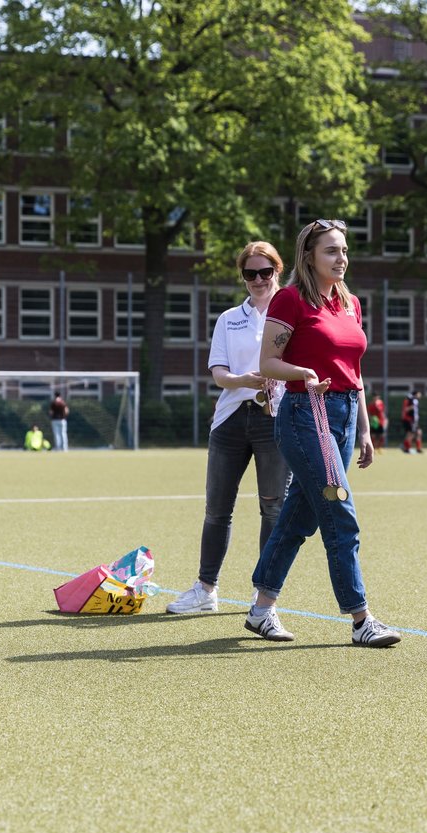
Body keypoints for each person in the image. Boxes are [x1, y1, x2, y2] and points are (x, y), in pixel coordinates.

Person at [246, 218, 400, 648]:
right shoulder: (290, 300)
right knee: (340, 512)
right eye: (331, 251)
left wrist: (366, 429)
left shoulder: (351, 304)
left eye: (345, 250)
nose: (341, 258)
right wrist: (304, 373)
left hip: (346, 414)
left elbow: (356, 371)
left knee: (301, 515)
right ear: (309, 257)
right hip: (304, 413)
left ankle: (261, 610)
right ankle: (361, 619)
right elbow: (268, 364)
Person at [166, 241, 291, 614]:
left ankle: (263, 592)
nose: (257, 280)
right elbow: (219, 373)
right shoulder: (228, 319)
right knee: (217, 509)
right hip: (230, 420)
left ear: (277, 272)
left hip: (275, 419)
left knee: (272, 509)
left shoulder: (292, 313)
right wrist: (243, 379)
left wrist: (272, 381)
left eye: (264, 272)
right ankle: (206, 590)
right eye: (250, 273)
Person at [401, 390, 423, 454]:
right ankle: (406, 448)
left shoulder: (415, 401)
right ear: (416, 394)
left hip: (415, 420)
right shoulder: (411, 400)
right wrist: (412, 407)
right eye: (419, 394)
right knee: (410, 434)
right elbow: (406, 409)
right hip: (410, 420)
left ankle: (418, 449)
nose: (420, 395)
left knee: (418, 432)